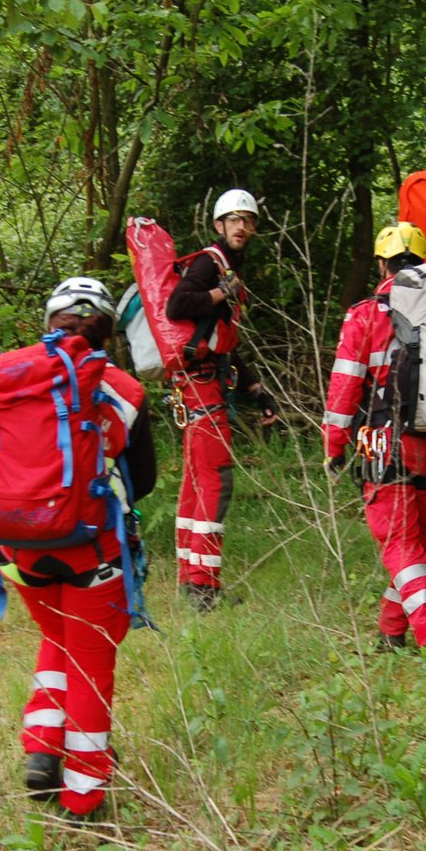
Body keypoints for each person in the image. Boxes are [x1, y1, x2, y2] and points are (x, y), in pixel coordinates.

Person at [0, 278, 157, 821]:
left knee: (56, 636)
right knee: (91, 660)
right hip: (90, 550)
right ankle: (83, 796)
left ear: (50, 324)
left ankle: (42, 748)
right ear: (108, 334)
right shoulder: (122, 389)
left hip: (16, 549)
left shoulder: (9, 374)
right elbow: (147, 478)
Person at [322, 222, 426, 669]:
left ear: (382, 265)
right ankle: (390, 630)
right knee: (415, 541)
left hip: (386, 445)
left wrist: (334, 445)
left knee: (400, 545)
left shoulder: (365, 315)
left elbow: (344, 386)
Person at [164, 188, 279, 611]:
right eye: (234, 219)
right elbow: (178, 305)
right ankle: (204, 587)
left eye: (248, 220)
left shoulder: (227, 268)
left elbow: (221, 337)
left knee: (197, 480)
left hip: (202, 382)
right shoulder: (209, 263)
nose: (242, 226)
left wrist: (254, 388)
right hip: (201, 385)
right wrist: (219, 292)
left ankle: (188, 579)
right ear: (219, 225)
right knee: (216, 479)